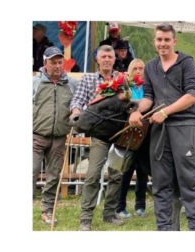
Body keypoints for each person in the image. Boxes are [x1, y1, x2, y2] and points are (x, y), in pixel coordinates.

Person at [128, 23, 195, 231]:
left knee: (189, 181)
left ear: (174, 41)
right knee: (160, 182)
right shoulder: (151, 66)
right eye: (159, 39)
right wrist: (137, 111)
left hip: (184, 125)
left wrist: (165, 112)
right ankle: (164, 228)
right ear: (155, 41)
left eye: (166, 40)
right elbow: (149, 98)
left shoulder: (186, 62)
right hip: (159, 130)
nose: (163, 44)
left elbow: (192, 96)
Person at [70, 45, 126, 231]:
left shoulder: (122, 79)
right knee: (93, 175)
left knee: (117, 175)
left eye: (110, 56)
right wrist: (76, 113)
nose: (107, 59)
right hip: (100, 136)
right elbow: (77, 100)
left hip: (119, 135)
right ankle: (85, 219)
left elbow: (131, 101)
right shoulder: (88, 79)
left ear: (114, 59)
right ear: (98, 59)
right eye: (104, 56)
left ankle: (109, 214)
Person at [33, 46, 78, 224]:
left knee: (53, 177)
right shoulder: (34, 83)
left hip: (59, 137)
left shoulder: (72, 83)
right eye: (53, 62)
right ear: (45, 63)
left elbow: (79, 103)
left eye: (60, 62)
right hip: (36, 136)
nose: (58, 66)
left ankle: (47, 211)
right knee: (30, 172)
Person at [115, 59, 149, 219]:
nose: (138, 71)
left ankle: (140, 205)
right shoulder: (126, 86)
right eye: (135, 68)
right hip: (128, 135)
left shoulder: (149, 87)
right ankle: (120, 206)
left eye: (141, 68)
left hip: (146, 134)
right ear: (130, 70)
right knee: (126, 171)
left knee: (143, 171)